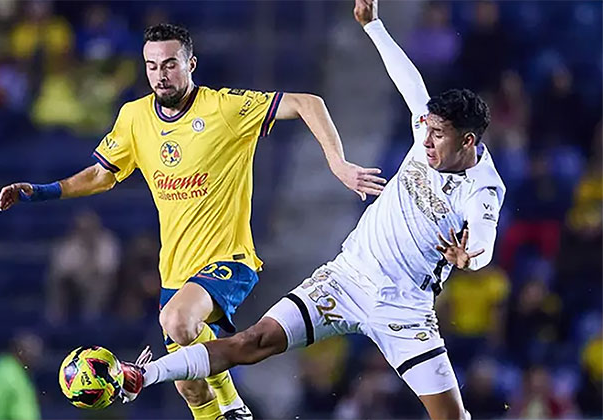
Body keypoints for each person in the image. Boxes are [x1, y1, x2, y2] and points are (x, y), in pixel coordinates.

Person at [120, 2, 506, 420]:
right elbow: (407, 78)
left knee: (452, 418)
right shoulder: (428, 129)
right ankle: (143, 375)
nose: (426, 141)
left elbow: (483, 240)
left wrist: (471, 259)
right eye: (425, 130)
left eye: (438, 136)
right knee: (254, 341)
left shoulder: (483, 188)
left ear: (467, 142)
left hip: (403, 307)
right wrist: (373, 25)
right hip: (345, 279)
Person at [0, 23, 383, 420]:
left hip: (230, 261)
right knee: (192, 390)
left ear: (190, 64)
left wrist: (337, 163)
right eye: (151, 66)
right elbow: (100, 175)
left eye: (169, 64)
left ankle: (234, 404)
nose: (160, 75)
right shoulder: (134, 117)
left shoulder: (224, 108)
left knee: (177, 320)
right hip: (175, 275)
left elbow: (308, 102)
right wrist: (42, 190)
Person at [0, 333, 43, 420]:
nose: (34, 355)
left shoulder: (20, 371)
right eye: (30, 350)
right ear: (19, 349)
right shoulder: (2, 371)